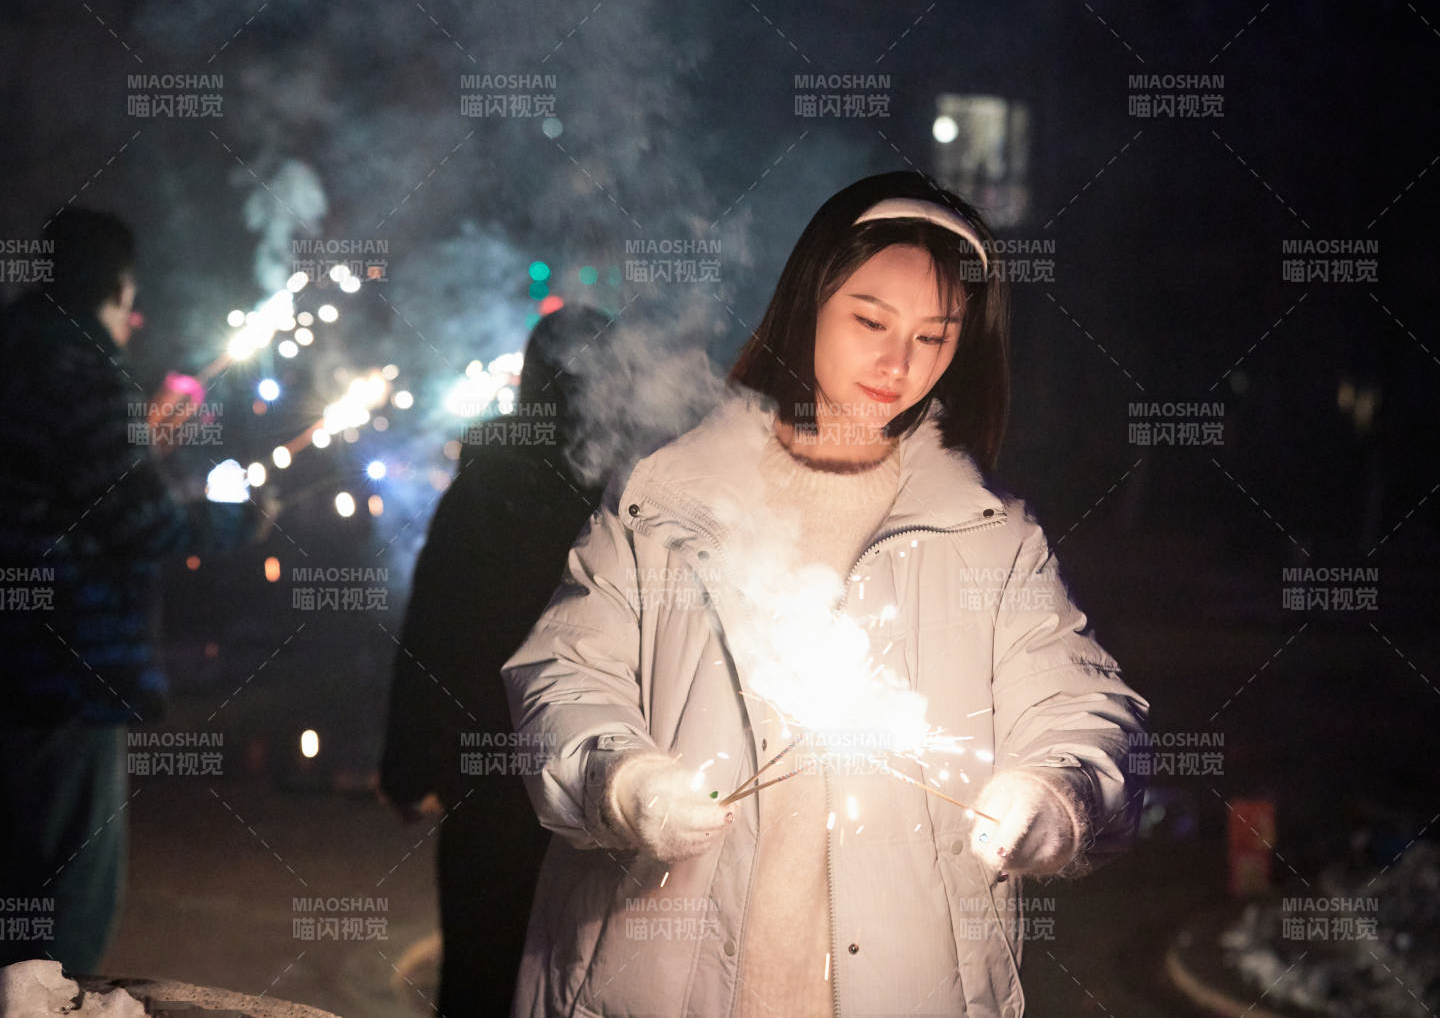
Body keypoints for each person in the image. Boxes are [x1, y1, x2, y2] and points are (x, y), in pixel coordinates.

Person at [501, 171, 1150, 1017]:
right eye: (870, 320)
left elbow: (1088, 711)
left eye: (934, 335)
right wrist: (629, 786)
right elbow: (561, 679)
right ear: (810, 298)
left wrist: (1052, 795)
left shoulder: (987, 535)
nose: (897, 361)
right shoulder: (670, 501)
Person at [0, 207, 269, 975]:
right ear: (115, 286)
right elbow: (138, 522)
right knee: (65, 910)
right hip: (64, 672)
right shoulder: (80, 367)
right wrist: (238, 521)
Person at [378, 302, 612, 1016]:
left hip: (482, 770)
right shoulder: (625, 493)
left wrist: (408, 763)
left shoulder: (483, 485)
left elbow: (432, 629)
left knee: (481, 965)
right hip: (590, 776)